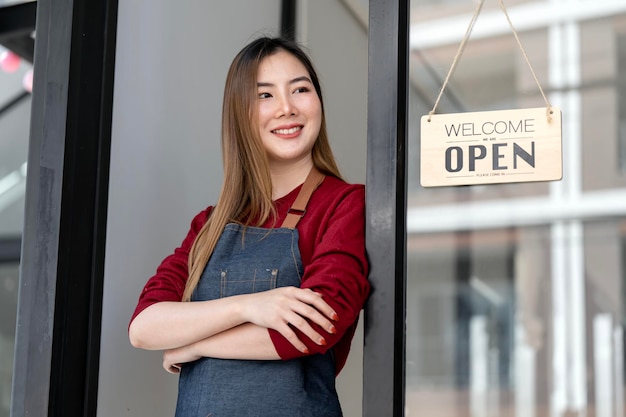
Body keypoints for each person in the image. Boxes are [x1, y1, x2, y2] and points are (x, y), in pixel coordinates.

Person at [128, 36, 370, 417]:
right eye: (264, 95)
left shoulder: (344, 203)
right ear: (240, 113)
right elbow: (144, 326)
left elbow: (314, 327)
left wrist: (195, 345)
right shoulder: (210, 225)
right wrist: (251, 306)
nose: (286, 108)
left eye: (300, 89)